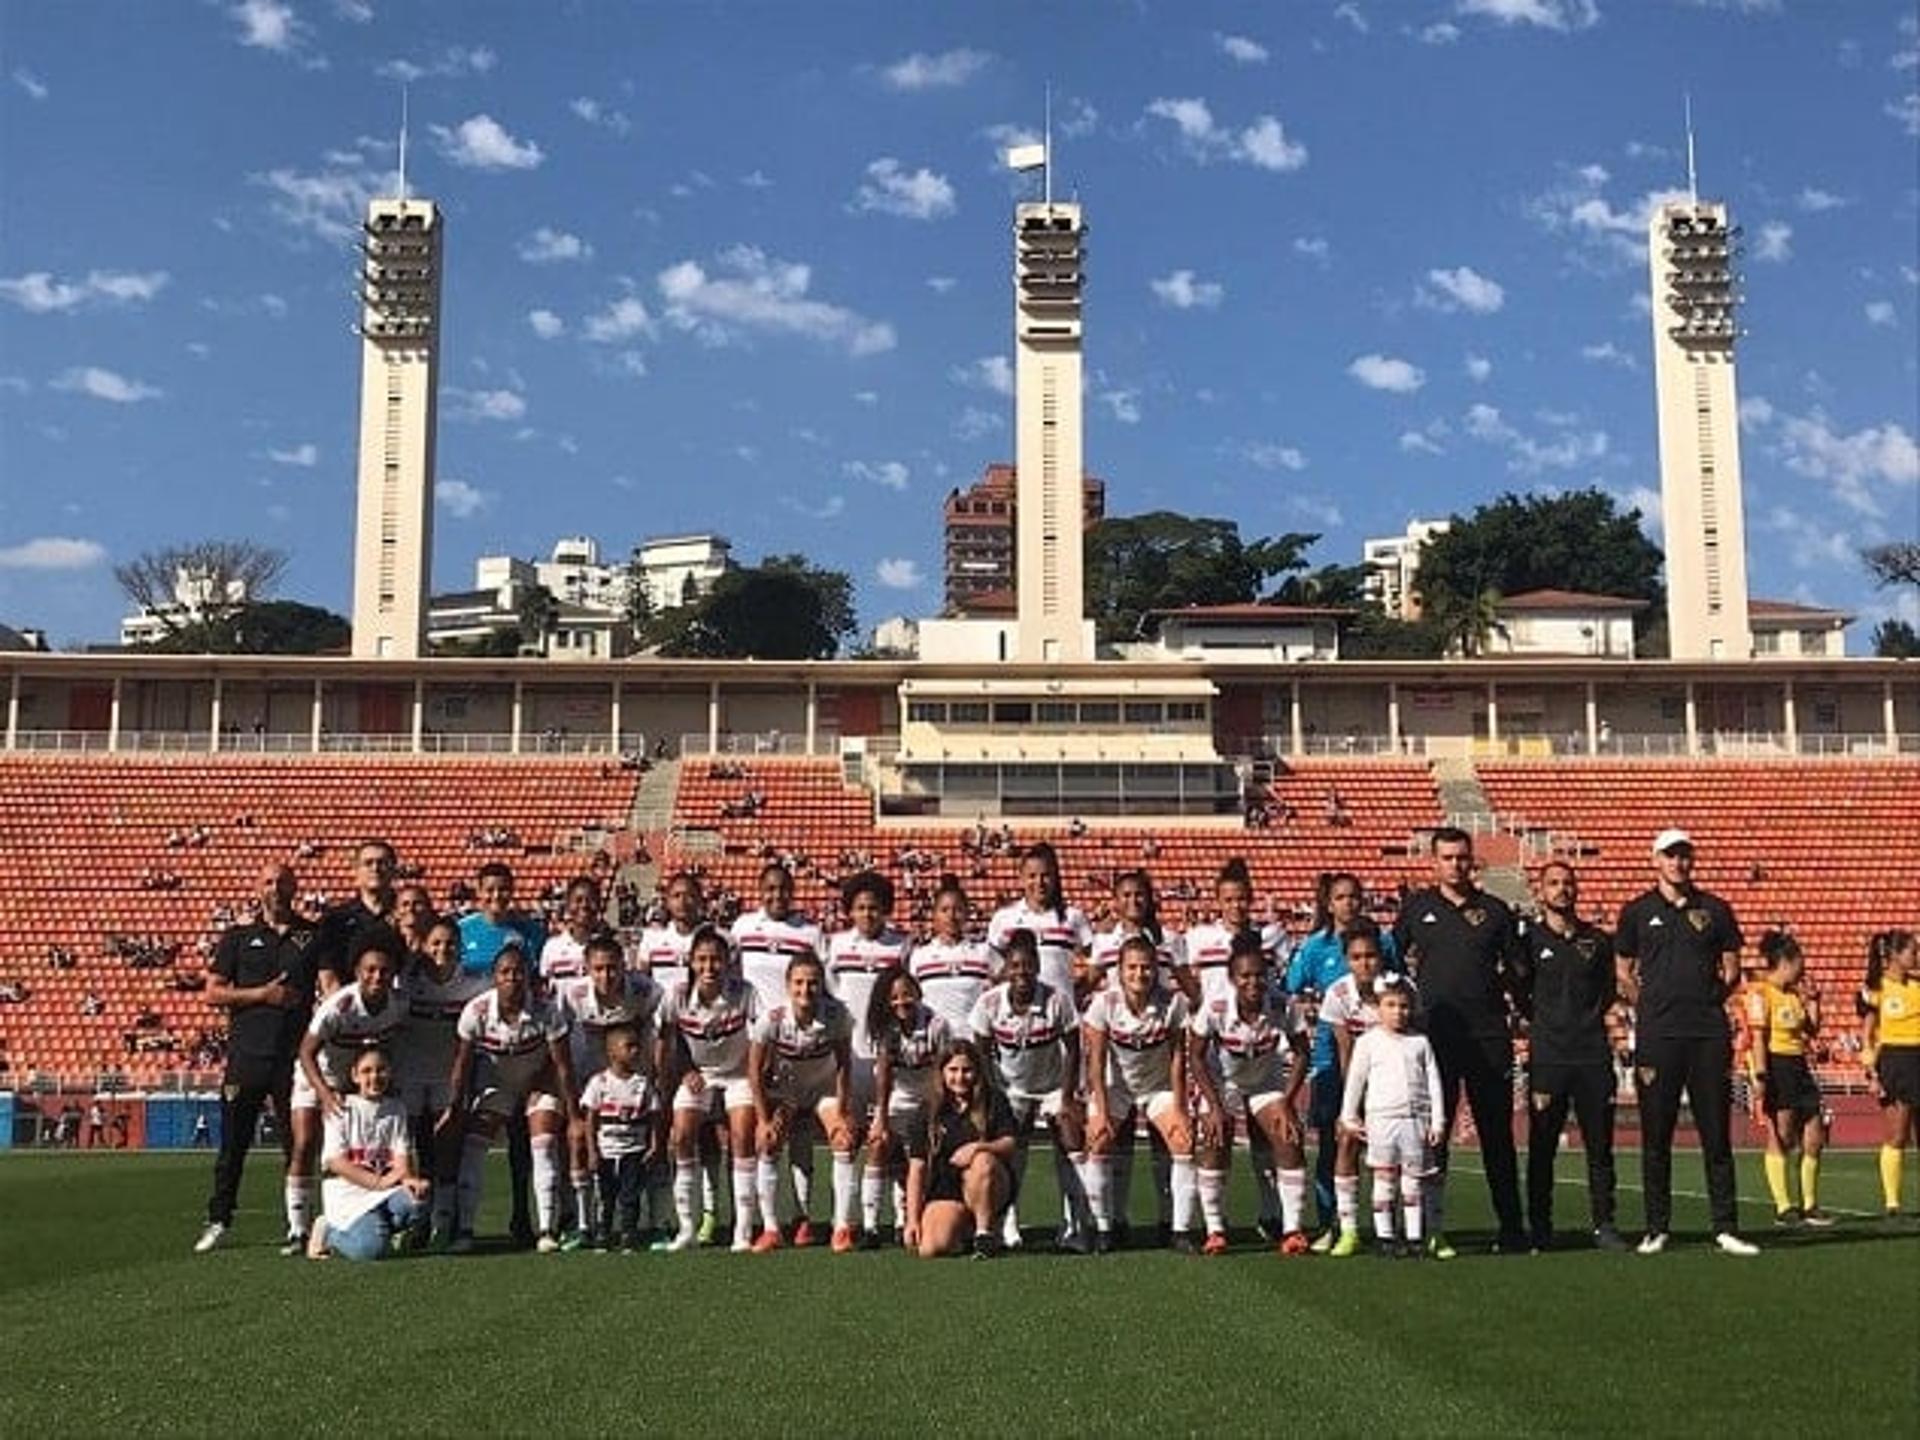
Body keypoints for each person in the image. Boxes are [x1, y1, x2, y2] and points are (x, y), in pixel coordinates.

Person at [1615, 828, 1757, 1256]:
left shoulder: (1715, 909)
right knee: (1655, 1136)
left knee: (1716, 1134)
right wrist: (1651, 1006)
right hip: (1658, 1037)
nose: (1679, 863)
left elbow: (1732, 969)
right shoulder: (1637, 911)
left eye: (1684, 856)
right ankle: (1657, 1226)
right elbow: (1622, 970)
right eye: (1670, 855)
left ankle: (1725, 1226)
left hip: (1707, 1036)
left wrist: (1706, 1003)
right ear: (1655, 859)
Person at [1392, 827, 1530, 1257]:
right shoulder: (1417, 909)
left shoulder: (1495, 911)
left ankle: (1511, 1227)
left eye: (1462, 858)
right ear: (1434, 862)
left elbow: (1519, 967)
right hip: (1436, 1038)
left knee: (1497, 1136)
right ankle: (1431, 1228)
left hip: (1488, 1037)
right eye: (1447, 858)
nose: (1456, 865)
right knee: (1435, 1136)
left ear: (1473, 861)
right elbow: (1392, 965)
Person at [196, 863, 317, 1254]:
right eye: (268, 882)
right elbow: (213, 992)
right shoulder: (238, 937)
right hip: (246, 1057)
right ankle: (219, 1219)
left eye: (282, 882)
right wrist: (261, 995)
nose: (276, 889)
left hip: (294, 1058)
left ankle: (297, 1222)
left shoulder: (311, 935)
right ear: (257, 888)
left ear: (295, 888)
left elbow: (328, 981)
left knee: (296, 1145)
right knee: (233, 1146)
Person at [1286, 872, 1401, 1248]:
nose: (1348, 903)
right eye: (1340, 897)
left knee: (1385, 1144)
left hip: (1384, 1064)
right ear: (1328, 903)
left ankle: (1391, 1222)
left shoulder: (1382, 942)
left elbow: (1398, 987)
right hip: (1329, 1060)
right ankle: (1331, 1222)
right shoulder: (1315, 946)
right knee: (1333, 1140)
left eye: (1354, 896)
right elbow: (1291, 986)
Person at [445, 939, 578, 1252]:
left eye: (518, 972)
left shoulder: (547, 1010)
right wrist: (455, 1108)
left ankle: (546, 1229)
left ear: (529, 977)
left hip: (537, 1084)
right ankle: (464, 1230)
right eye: (505, 972)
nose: (512, 978)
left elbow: (563, 1067)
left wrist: (574, 1116)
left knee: (543, 1144)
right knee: (474, 1147)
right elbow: (461, 1067)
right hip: (497, 1086)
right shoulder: (475, 1011)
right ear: (494, 977)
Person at [1521, 862, 1627, 1252]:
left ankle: (1604, 1224)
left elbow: (1607, 991)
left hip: (1592, 1056)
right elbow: (1520, 991)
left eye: (1568, 883)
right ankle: (1541, 1226)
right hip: (1549, 1055)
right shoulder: (1529, 940)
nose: (1562, 890)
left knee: (1599, 1147)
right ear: (1540, 891)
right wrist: (1549, 1025)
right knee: (1542, 1146)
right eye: (1553, 883)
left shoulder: (1597, 941)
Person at [1187, 932, 1312, 1255]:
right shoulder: (1214, 1007)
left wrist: (1287, 1102)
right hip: (1222, 1083)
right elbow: (1196, 1056)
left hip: (1265, 1083)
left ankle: (1292, 1229)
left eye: (1259, 975)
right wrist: (1213, 1106)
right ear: (1232, 978)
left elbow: (1302, 1053)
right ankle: (1215, 1228)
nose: (1253, 982)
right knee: (1215, 1138)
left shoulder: (1283, 1004)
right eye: (1244, 976)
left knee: (1288, 1135)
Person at [969, 928, 1094, 1251]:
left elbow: (1074, 1049)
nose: (1022, 972)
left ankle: (1074, 1224)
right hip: (1011, 1088)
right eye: (1015, 965)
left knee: (1069, 1139)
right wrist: (992, 1097)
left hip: (1051, 1086)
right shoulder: (989, 1003)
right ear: (1006, 969)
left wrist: (1066, 1098)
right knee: (1012, 1148)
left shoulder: (1057, 1000)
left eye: (1028, 965)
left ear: (1038, 966)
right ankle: (1009, 1223)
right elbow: (981, 1052)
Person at [292, 928, 407, 1255]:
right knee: (305, 1142)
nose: (377, 977)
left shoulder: (397, 1005)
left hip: (356, 1072)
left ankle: (366, 1213)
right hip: (319, 1071)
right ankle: (299, 1228)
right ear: (357, 972)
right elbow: (305, 1052)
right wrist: (326, 1094)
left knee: (361, 1141)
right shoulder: (339, 1005)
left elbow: (392, 1040)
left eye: (384, 971)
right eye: (370, 970)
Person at [1082, 935, 1198, 1251]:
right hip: (1116, 1087)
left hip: (1157, 1087)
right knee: (1098, 1141)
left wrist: (1181, 1108)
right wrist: (1102, 1113)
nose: (1139, 974)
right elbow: (1096, 1062)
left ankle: (1180, 1230)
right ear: (1119, 971)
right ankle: (1104, 1229)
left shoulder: (1173, 1002)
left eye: (1146, 968)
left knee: (1183, 1141)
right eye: (1131, 968)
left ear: (1156, 970)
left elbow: (1178, 1058)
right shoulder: (1103, 1003)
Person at [456, 861, 548, 1246]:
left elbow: (539, 985)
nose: (497, 896)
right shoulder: (463, 931)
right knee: (472, 1137)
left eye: (503, 889)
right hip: (476, 1043)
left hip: (522, 1044)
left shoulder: (529, 932)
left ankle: (525, 1217)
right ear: (479, 891)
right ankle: (457, 1222)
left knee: (524, 1142)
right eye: (489, 889)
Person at [658, 925, 763, 1253]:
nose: (709, 967)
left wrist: (753, 1072)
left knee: (743, 1135)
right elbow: (664, 1041)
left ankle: (742, 1230)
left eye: (716, 960)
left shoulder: (745, 991)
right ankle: (687, 1229)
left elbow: (764, 1037)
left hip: (737, 1074)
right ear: (690, 962)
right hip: (699, 1075)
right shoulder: (675, 995)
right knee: (682, 1135)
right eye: (701, 960)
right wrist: (682, 1071)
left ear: (727, 962)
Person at [747, 952, 857, 1252]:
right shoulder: (771, 1019)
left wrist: (844, 1111)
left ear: (822, 985)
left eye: (812, 983)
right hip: (788, 1092)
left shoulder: (837, 1015)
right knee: (768, 1142)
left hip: (825, 1091)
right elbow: (754, 1071)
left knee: (844, 1142)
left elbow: (845, 1065)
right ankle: (772, 1229)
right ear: (787, 985)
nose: (805, 990)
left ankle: (842, 1227)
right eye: (798, 983)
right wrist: (762, 1119)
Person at [825, 870, 912, 1240]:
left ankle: (895, 1219)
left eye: (874, 908)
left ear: (886, 909)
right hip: (850, 1058)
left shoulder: (902, 946)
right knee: (846, 1140)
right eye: (859, 908)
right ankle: (843, 1222)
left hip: (886, 1058)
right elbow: (830, 995)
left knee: (889, 1139)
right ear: (849, 912)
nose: (867, 914)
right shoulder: (837, 945)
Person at [561, 936, 661, 1247]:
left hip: (634, 1082)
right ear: (587, 969)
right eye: (599, 969)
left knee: (650, 1149)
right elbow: (559, 1044)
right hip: (590, 1080)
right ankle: (584, 1225)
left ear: (624, 967)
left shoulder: (647, 991)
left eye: (613, 968)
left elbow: (660, 1037)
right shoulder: (571, 995)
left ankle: (656, 1223)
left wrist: (654, 1078)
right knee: (580, 1140)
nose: (606, 976)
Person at [1338, 975, 1445, 1259]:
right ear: (1378, 1007)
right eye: (1391, 1005)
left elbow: (1434, 1081)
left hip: (1415, 1119)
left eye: (1404, 1006)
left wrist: (1438, 1121)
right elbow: (1355, 1081)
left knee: (1413, 1180)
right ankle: (1385, 1236)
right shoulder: (1368, 1042)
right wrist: (1348, 1116)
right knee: (1384, 1178)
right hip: (1382, 1120)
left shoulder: (1420, 1042)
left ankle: (1414, 1238)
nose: (1398, 1012)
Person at [398, 917, 488, 1246]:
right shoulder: (406, 982)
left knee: (447, 1150)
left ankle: (443, 1222)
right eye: (435, 942)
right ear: (423, 945)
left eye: (449, 943)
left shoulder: (475, 985)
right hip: (409, 1073)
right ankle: (415, 1220)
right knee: (410, 1150)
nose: (442, 949)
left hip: (447, 1076)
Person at [1743, 931, 1830, 1228]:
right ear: (1786, 962)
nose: (1802, 969)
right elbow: (1757, 1038)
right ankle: (1784, 1207)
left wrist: (1815, 1001)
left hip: (1798, 1065)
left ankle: (1810, 1204)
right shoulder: (1760, 993)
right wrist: (1761, 1076)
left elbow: (1811, 1029)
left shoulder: (1793, 995)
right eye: (1799, 962)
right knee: (1782, 1135)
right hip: (1776, 1064)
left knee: (1815, 1134)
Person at [307, 1047, 427, 1262]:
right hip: (348, 1194)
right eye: (366, 1071)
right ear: (354, 1075)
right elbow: (336, 1163)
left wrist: (410, 1180)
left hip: (383, 1191)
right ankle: (329, 1232)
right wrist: (379, 1183)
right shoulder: (341, 1107)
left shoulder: (396, 1108)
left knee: (417, 1203)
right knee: (370, 1250)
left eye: (381, 1070)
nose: (375, 1077)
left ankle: (377, 1226)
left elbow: (401, 1160)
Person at [904, 1039, 1019, 1259]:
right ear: (942, 1072)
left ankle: (985, 1234)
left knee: (983, 1160)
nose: (960, 1077)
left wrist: (978, 1147)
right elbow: (917, 1168)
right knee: (931, 1249)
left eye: (967, 1070)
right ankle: (964, 1232)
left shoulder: (993, 1100)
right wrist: (912, 1219)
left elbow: (1010, 1143)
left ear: (977, 1071)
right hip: (947, 1187)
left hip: (988, 1184)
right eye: (953, 1070)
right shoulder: (928, 1109)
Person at [866, 966, 951, 1247]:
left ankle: (910, 1216)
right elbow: (885, 1075)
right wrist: (881, 1117)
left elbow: (943, 1072)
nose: (901, 1002)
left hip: (929, 1096)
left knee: (922, 1154)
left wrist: (937, 1112)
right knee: (879, 1144)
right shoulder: (885, 1027)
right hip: (898, 1098)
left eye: (907, 995)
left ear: (918, 993)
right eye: (894, 997)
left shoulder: (937, 1025)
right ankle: (871, 1227)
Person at [1321, 923, 1389, 1256]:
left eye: (1371, 956)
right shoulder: (1337, 994)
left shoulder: (1399, 989)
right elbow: (1345, 1053)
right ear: (1347, 960)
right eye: (1357, 957)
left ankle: (1390, 1229)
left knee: (1391, 1156)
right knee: (1347, 1142)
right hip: (1358, 1084)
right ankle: (1348, 1229)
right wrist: (1350, 1106)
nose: (1365, 963)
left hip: (1394, 1089)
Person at [580, 1024, 663, 1251]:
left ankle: (629, 1232)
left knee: (630, 1195)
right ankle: (603, 1232)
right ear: (612, 1052)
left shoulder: (642, 1083)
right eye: (629, 1046)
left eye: (637, 1046)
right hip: (607, 1150)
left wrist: (654, 1145)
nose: (635, 1051)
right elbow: (590, 1118)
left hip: (634, 1149)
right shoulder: (599, 1082)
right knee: (605, 1196)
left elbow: (655, 1116)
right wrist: (592, 1151)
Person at [1859, 930, 1919, 1218]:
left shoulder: (1918, 987)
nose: (1916, 956)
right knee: (1898, 1133)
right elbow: (1867, 1034)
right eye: (1912, 951)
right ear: (1895, 955)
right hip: (1895, 1062)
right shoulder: (1876, 988)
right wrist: (1871, 1072)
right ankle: (1892, 1202)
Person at [986, 843, 1092, 1005]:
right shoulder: (1004, 918)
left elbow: (1096, 960)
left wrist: (1075, 991)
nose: (1039, 882)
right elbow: (993, 969)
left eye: (1045, 875)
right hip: (1019, 1012)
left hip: (1059, 1013)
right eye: (1032, 876)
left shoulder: (1073, 916)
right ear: (1021, 878)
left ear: (1055, 878)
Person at [731, 862, 825, 1011]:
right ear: (760, 891)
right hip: (751, 1024)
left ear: (792, 892)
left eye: (783, 889)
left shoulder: (811, 932)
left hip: (794, 1024)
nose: (777, 895)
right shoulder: (742, 926)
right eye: (771, 889)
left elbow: (824, 981)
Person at [908, 877, 996, 1034]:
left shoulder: (983, 952)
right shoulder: (920, 956)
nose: (951, 916)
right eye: (944, 910)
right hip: (934, 1046)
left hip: (973, 1044)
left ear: (967, 913)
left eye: (958, 909)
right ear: (934, 915)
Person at [312, 841, 399, 995]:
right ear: (356, 871)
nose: (375, 868)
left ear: (394, 870)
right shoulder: (335, 920)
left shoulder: (407, 916)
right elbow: (328, 975)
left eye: (382, 863)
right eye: (368, 863)